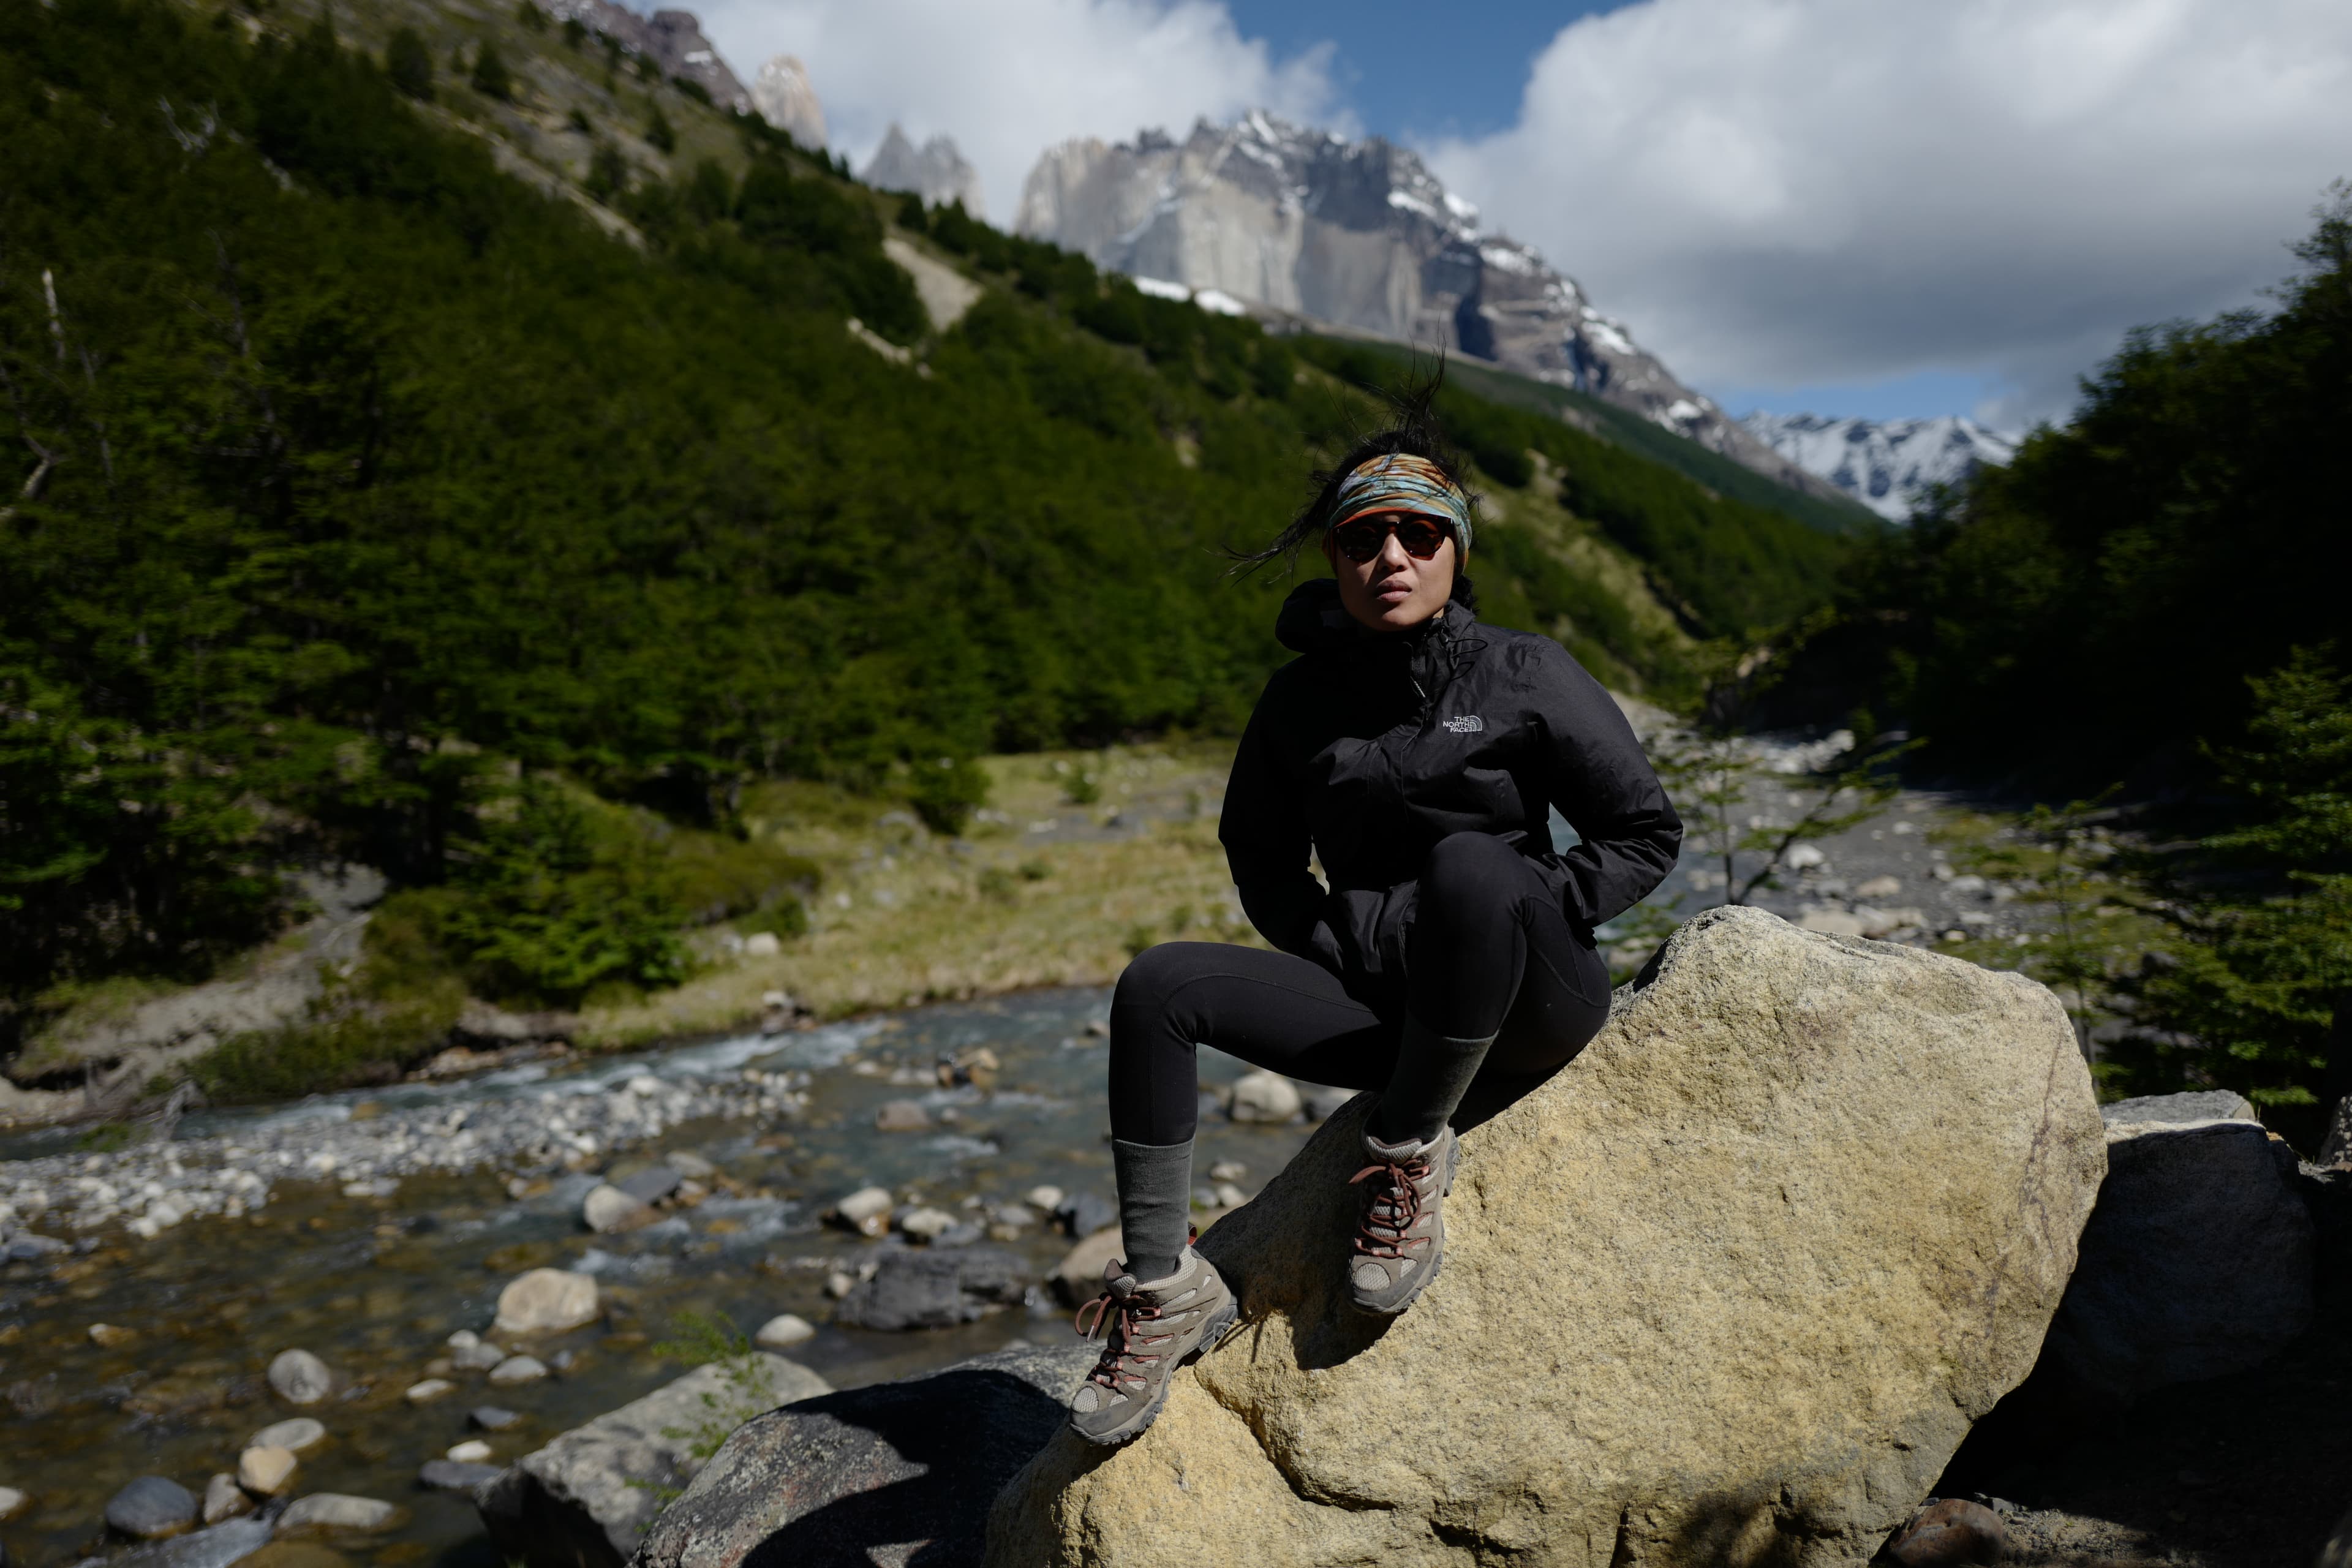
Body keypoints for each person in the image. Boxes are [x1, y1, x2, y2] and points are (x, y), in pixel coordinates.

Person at [1065, 393, 1683, 1446]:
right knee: (1158, 985)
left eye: (1420, 532)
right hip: (1384, 1007)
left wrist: (1545, 908)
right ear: (1338, 561)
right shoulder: (1298, 702)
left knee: (1470, 866)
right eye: (1363, 537)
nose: (1391, 555)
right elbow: (1258, 855)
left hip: (1531, 1002)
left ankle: (1405, 1150)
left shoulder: (1523, 670)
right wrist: (1328, 942)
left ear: (1454, 552)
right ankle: (1165, 1291)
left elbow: (1642, 832)